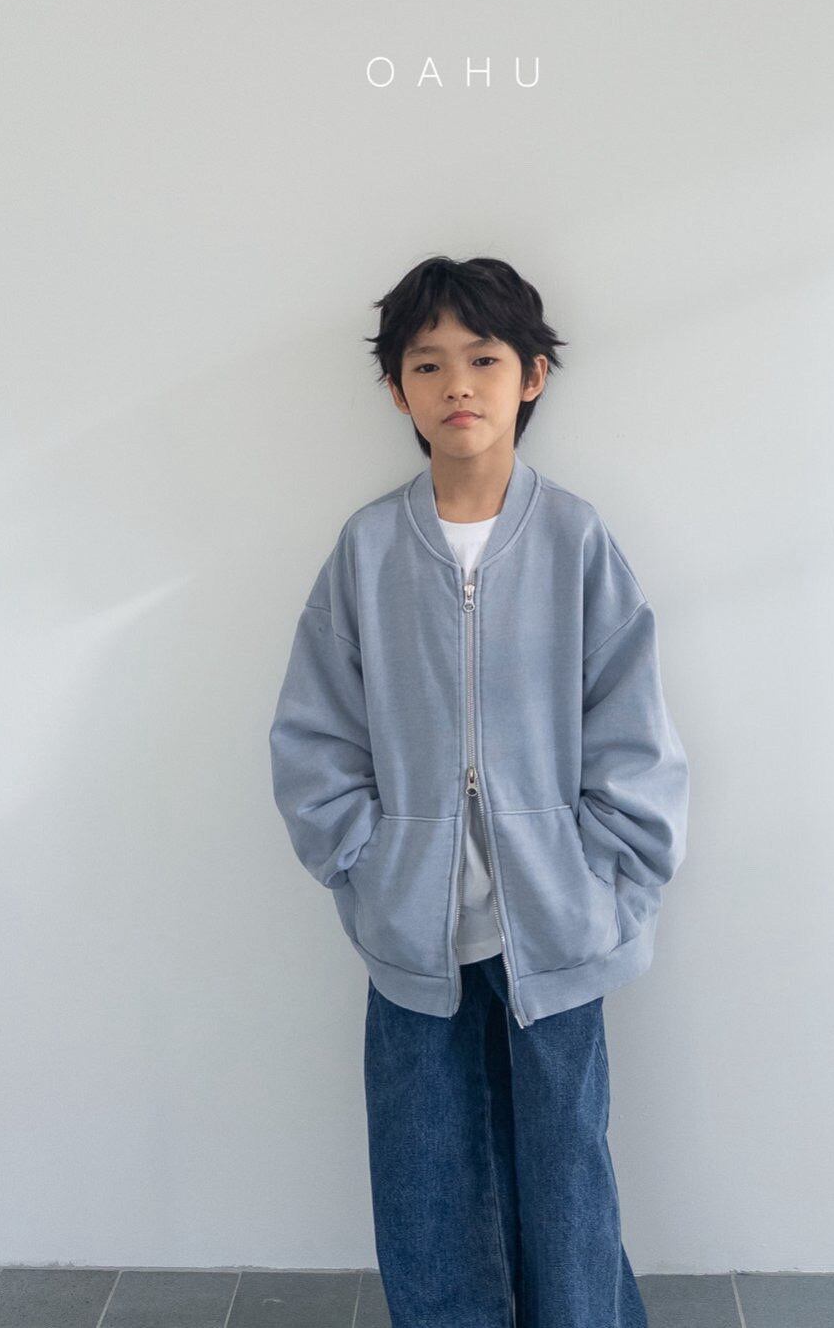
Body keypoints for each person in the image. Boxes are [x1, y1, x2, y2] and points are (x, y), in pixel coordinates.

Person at [269, 254, 690, 1328]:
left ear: (531, 376)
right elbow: (314, 735)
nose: (457, 383)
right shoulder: (368, 549)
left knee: (567, 1176)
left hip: (559, 923)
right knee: (425, 1182)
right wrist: (365, 866)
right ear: (397, 391)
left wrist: (609, 878)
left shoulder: (575, 538)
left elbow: (633, 730)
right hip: (411, 935)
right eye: (427, 364)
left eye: (484, 359)